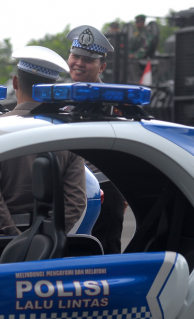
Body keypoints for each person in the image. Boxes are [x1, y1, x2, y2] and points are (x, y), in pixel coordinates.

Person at [0, 46, 87, 237]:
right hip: (50, 245)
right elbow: (76, 201)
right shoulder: (70, 133)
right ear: (52, 88)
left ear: (15, 82)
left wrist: (13, 237)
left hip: (2, 248)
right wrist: (48, 237)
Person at [66, 25, 126, 254]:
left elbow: (124, 151)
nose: (79, 63)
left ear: (102, 67)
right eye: (75, 56)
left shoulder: (114, 104)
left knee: (104, 256)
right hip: (69, 190)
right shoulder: (62, 97)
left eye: (88, 60)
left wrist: (124, 190)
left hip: (103, 190)